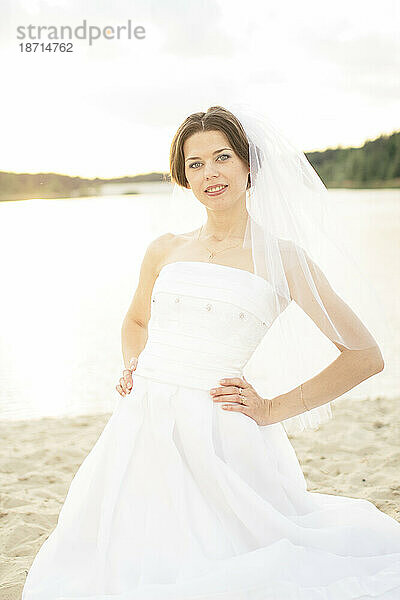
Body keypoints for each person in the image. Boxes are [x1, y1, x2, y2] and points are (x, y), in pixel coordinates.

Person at [22, 105, 400, 599]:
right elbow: (136, 322)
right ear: (183, 177)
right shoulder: (165, 248)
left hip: (218, 435)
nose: (210, 173)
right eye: (195, 164)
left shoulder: (284, 258)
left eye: (222, 157)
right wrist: (133, 361)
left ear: (249, 165)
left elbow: (365, 356)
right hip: (140, 427)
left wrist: (271, 409)